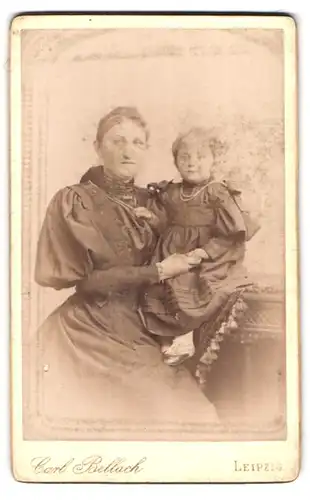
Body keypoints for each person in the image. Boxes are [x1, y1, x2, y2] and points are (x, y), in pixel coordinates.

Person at [32, 107, 219, 439]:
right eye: (117, 141)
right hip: (92, 328)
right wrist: (158, 271)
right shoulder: (75, 201)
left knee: (198, 418)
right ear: (97, 146)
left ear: (147, 149)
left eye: (137, 142)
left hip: (148, 324)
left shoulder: (158, 200)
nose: (127, 150)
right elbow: (87, 283)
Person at [135, 127, 260, 367]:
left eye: (200, 156)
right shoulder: (172, 192)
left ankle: (186, 335)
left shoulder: (216, 192)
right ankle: (165, 339)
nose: (192, 163)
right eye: (185, 157)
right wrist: (151, 218)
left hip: (208, 256)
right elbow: (166, 225)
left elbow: (230, 234)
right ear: (176, 161)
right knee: (156, 284)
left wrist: (204, 252)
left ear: (214, 159)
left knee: (190, 286)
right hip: (171, 251)